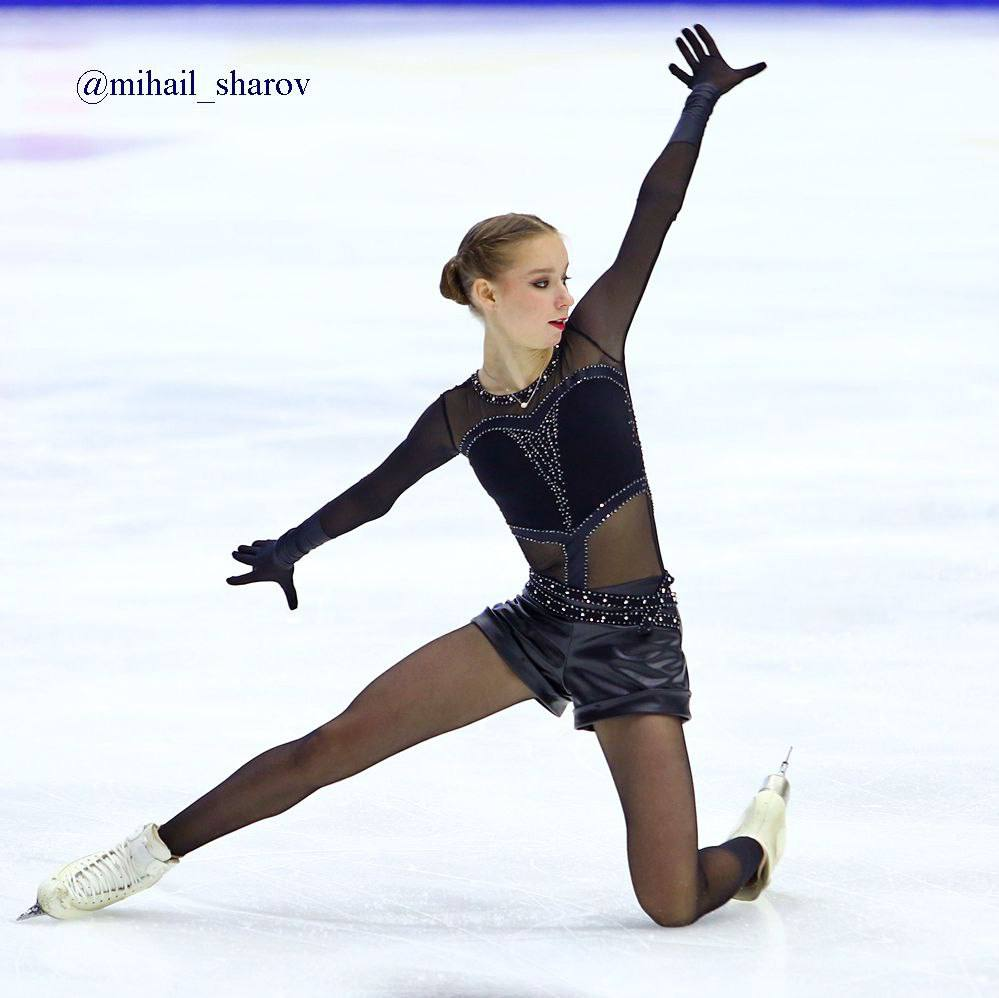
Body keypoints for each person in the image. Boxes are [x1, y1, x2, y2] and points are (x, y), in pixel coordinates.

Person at [20, 24, 790, 929]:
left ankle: (752, 847)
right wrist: (291, 547)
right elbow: (375, 493)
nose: (563, 296)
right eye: (540, 282)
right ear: (485, 294)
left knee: (669, 901)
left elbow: (653, 216)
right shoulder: (459, 415)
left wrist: (697, 107)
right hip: (537, 624)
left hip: (633, 635)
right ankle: (145, 854)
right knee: (330, 746)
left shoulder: (593, 348)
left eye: (565, 277)